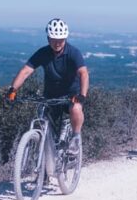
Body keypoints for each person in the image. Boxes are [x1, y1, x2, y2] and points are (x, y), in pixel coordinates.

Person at [6, 18, 89, 148]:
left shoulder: (73, 53)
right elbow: (26, 71)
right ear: (48, 39)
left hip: (71, 96)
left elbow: (83, 73)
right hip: (50, 96)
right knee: (41, 117)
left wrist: (82, 95)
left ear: (65, 39)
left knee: (76, 108)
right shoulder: (43, 53)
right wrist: (13, 90)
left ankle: (76, 138)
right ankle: (45, 151)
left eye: (60, 40)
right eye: (53, 40)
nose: (57, 43)